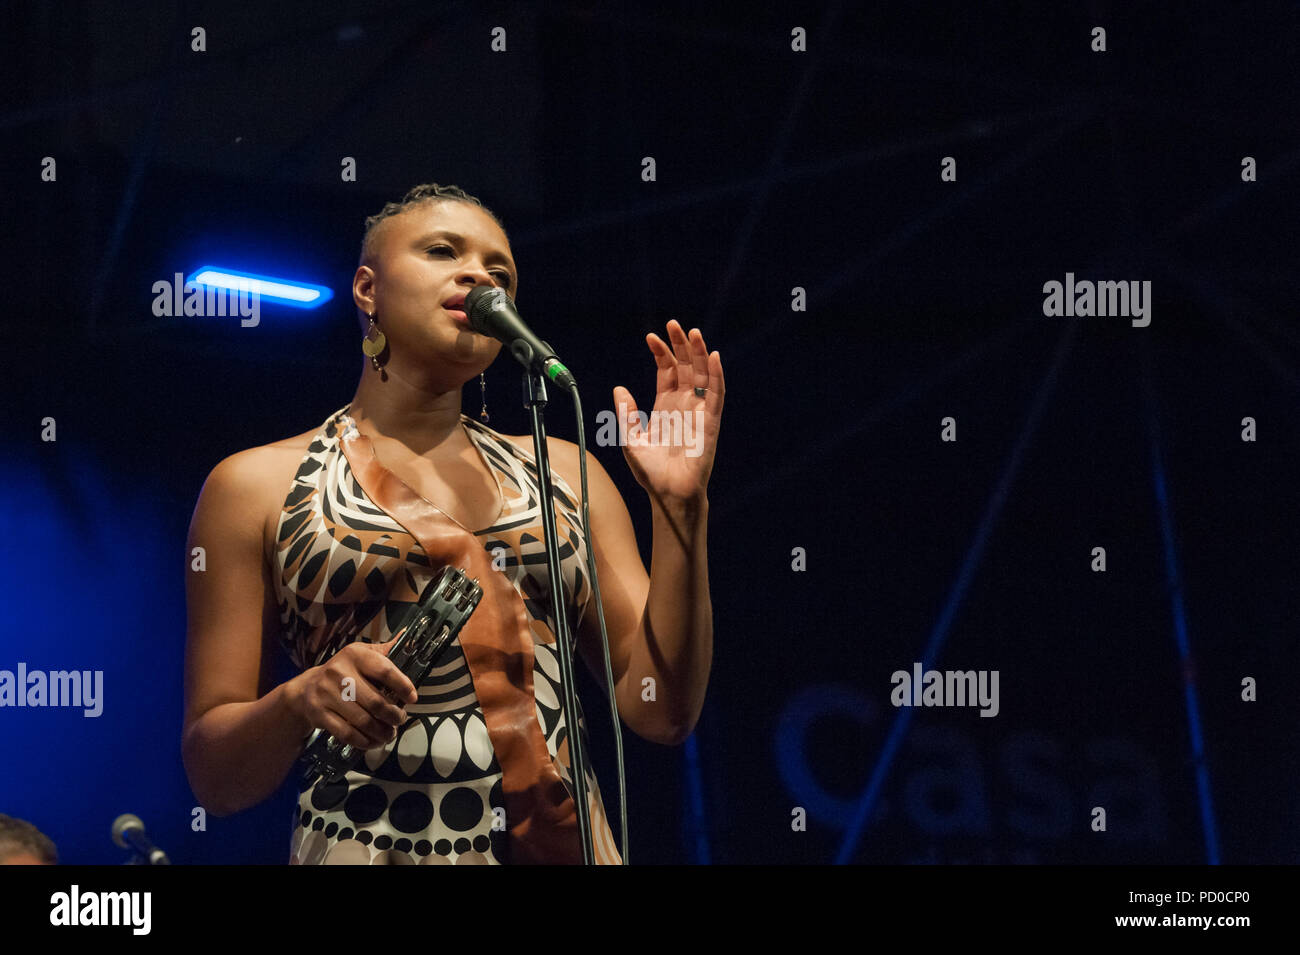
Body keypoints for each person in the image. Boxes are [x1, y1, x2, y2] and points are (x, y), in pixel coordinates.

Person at [181, 183, 724, 864]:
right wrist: (297, 699)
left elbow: (661, 710)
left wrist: (681, 512)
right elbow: (215, 776)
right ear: (366, 289)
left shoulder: (565, 471)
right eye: (443, 251)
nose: (479, 275)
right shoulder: (255, 484)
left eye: (501, 272)